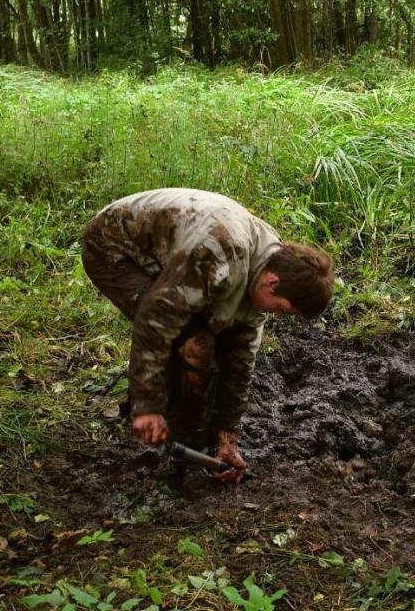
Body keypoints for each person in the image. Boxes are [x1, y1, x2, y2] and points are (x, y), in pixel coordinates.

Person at [81, 189, 333, 481]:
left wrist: (227, 439)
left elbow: (240, 363)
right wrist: (146, 405)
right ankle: (182, 448)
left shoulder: (268, 267)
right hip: (116, 248)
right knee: (195, 345)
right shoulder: (221, 255)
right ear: (272, 282)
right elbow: (156, 318)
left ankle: (192, 442)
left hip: (178, 257)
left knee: (214, 340)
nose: (278, 315)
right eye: (284, 310)